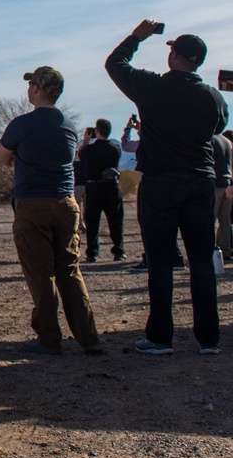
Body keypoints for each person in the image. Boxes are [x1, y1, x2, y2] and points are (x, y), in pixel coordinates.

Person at [105, 24, 228, 355]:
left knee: (160, 261)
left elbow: (115, 64)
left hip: (160, 181)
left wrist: (135, 38)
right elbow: (219, 126)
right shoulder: (212, 97)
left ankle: (160, 338)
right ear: (198, 62)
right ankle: (209, 338)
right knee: (201, 259)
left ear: (173, 55)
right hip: (201, 180)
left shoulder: (152, 87)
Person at [0, 66, 104, 356]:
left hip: (33, 203)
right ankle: (88, 336)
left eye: (31, 84)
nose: (28, 88)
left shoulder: (22, 124)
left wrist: (18, 158)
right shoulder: (67, 125)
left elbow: (0, 157)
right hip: (66, 202)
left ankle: (48, 337)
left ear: (37, 89)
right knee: (69, 269)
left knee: (40, 273)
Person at [123, 116, 185, 273]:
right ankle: (175, 257)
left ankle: (151, 258)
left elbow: (126, 145)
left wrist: (128, 129)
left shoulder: (143, 143)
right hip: (168, 183)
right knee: (167, 223)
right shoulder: (166, 142)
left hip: (149, 184)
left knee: (148, 223)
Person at [79, 119, 125, 262]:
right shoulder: (115, 149)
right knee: (115, 219)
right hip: (112, 186)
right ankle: (119, 250)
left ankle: (92, 252)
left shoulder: (91, 149)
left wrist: (86, 140)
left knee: (92, 220)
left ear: (97, 131)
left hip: (94, 187)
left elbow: (80, 156)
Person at [212, 132, 232, 260]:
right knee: (225, 219)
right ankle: (225, 249)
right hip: (227, 182)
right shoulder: (227, 142)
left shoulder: (210, 140)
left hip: (215, 182)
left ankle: (210, 249)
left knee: (210, 218)